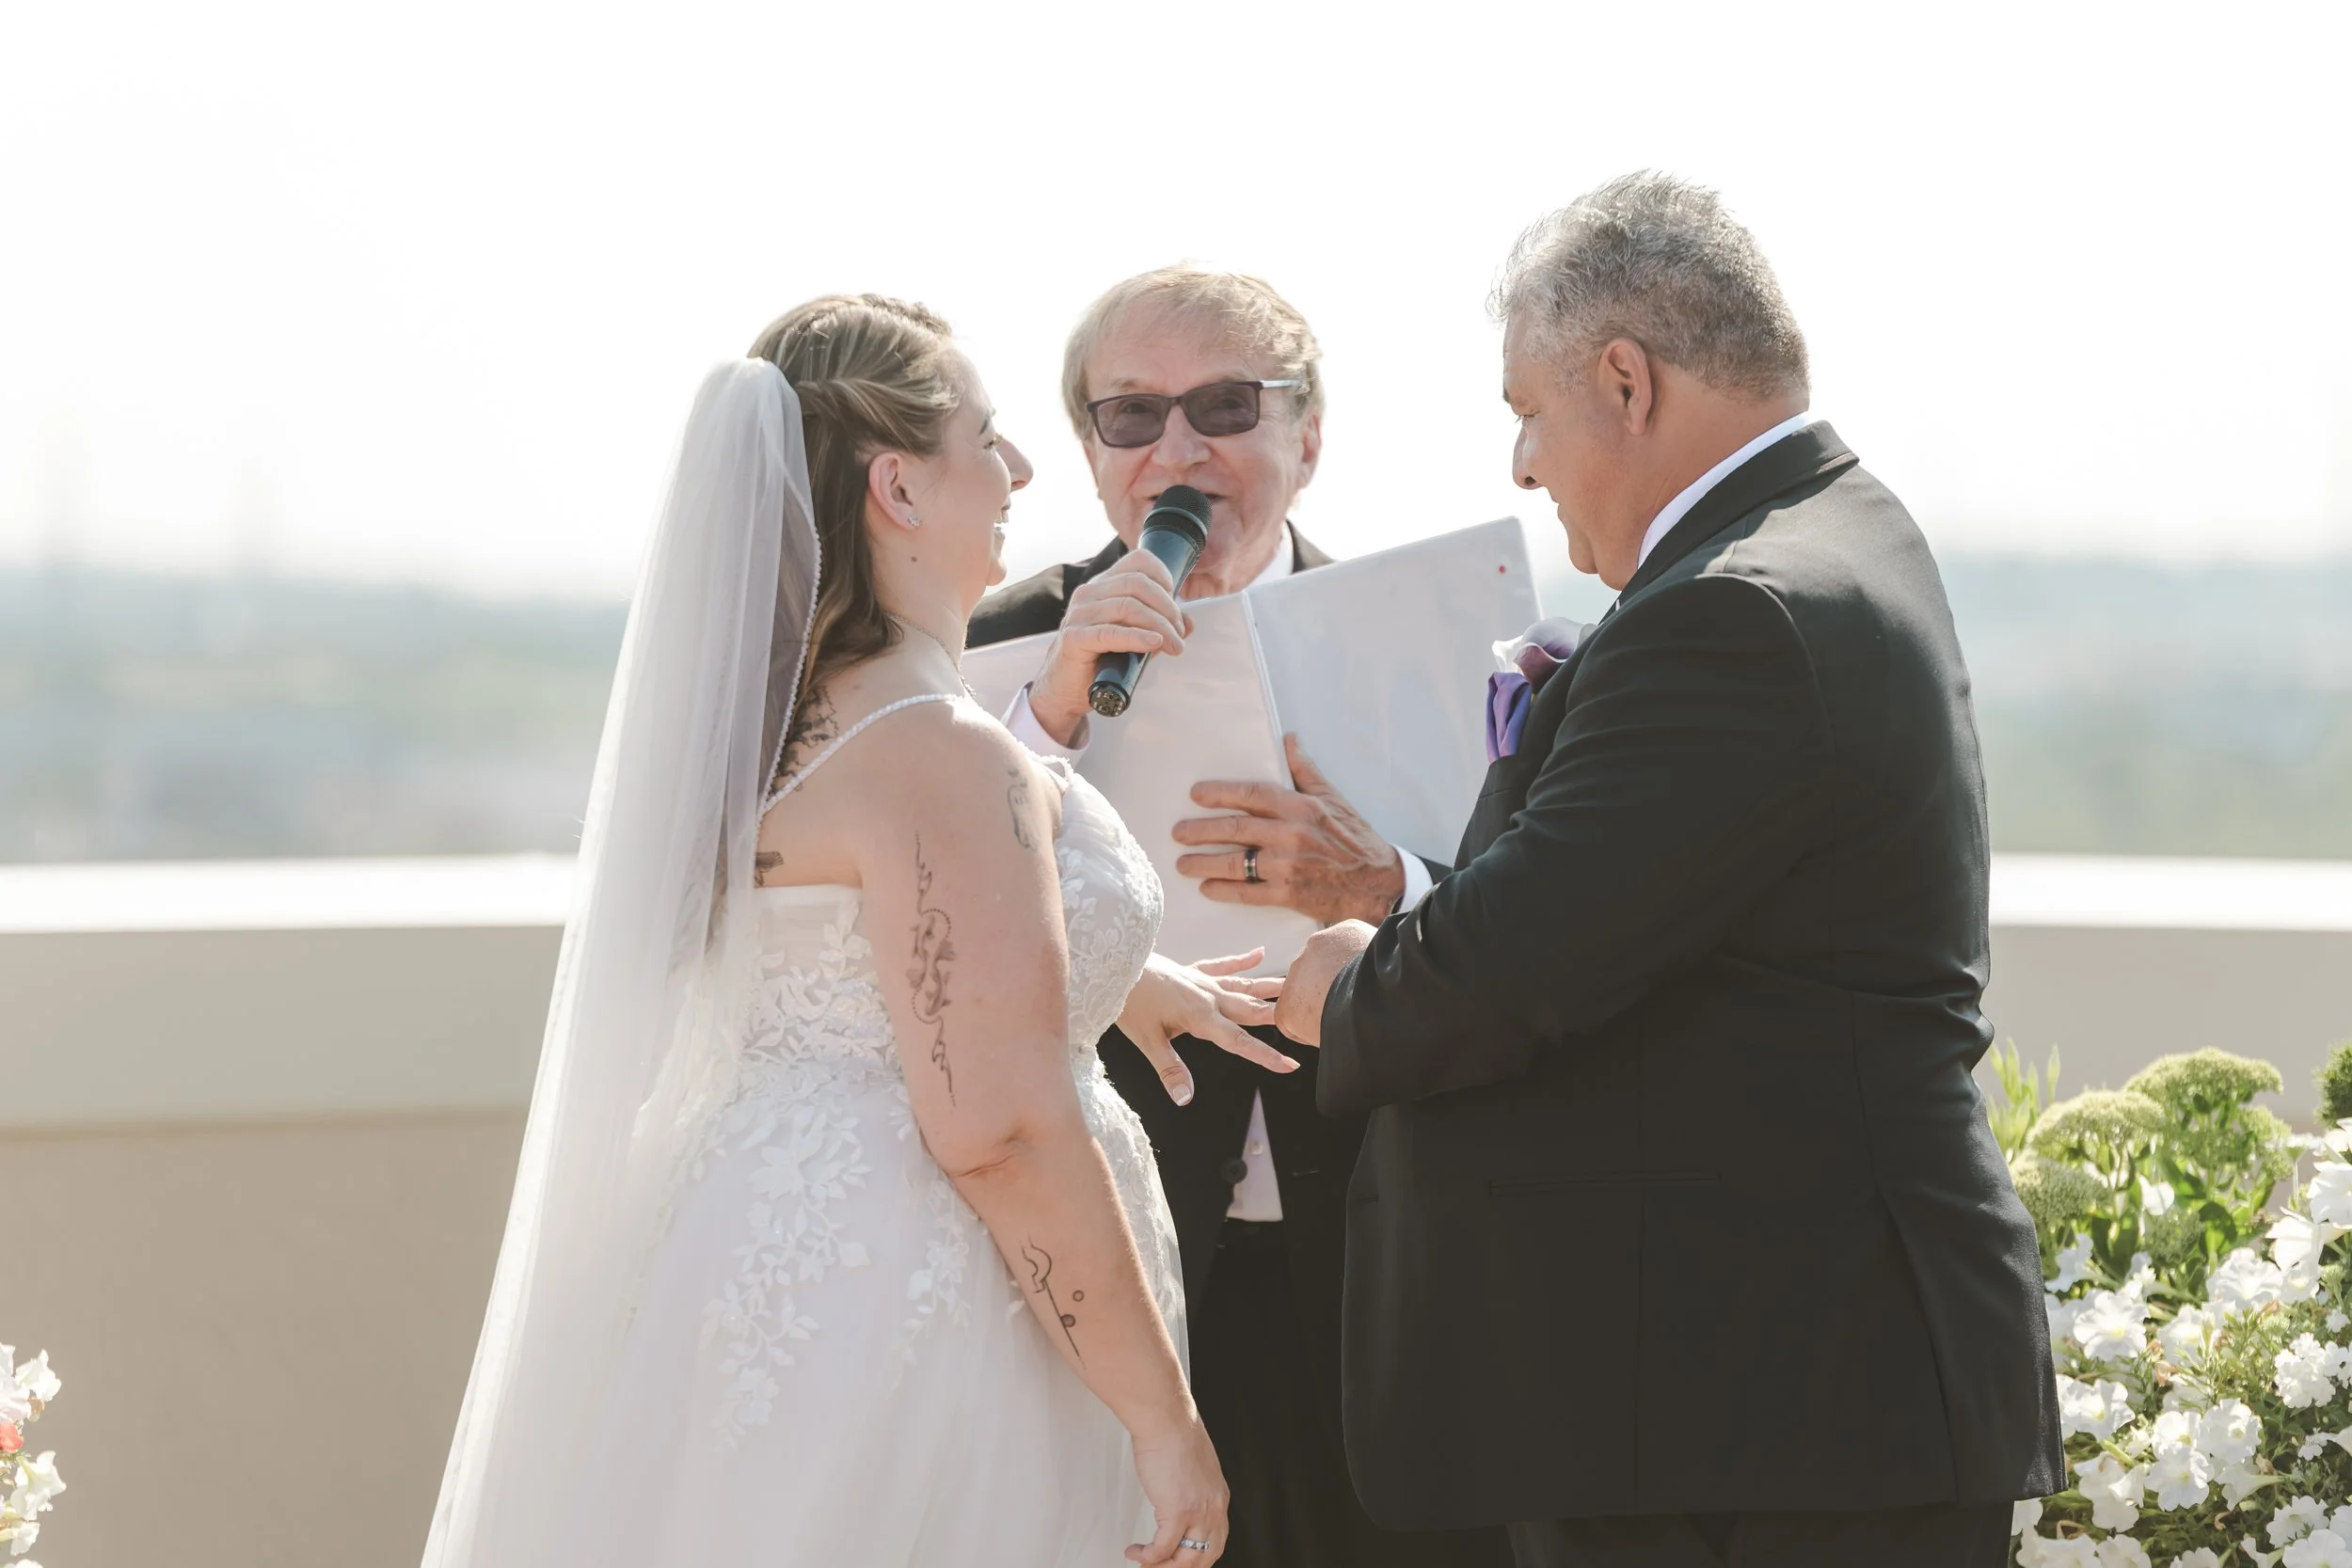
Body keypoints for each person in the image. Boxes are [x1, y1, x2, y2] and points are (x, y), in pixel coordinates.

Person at [422, 294, 1304, 1568]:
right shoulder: (940, 757)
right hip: (922, 1304)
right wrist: (1162, 1418)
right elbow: (996, 1126)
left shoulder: (769, 741)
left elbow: (865, 954)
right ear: (896, 485)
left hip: (747, 1265)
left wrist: (1108, 976)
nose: (1017, 471)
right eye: (985, 438)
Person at [1272, 175, 2064, 1567]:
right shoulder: (1833, 538)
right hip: (1766, 1398)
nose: (1522, 463)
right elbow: (1658, 919)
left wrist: (1348, 987)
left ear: (1625, 382)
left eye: (1528, 409)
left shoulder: (1733, 612)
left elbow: (1518, 965)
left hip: (1769, 1412)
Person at [971, 266, 1510, 1568]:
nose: (1178, 447)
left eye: (1224, 404)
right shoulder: (1001, 646)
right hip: (1117, 1236)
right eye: (1132, 416)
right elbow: (944, 915)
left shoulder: (1424, 632)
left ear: (1306, 437)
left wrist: (1390, 878)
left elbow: (1522, 910)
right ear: (1093, 452)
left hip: (1385, 1227)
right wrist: (1048, 706)